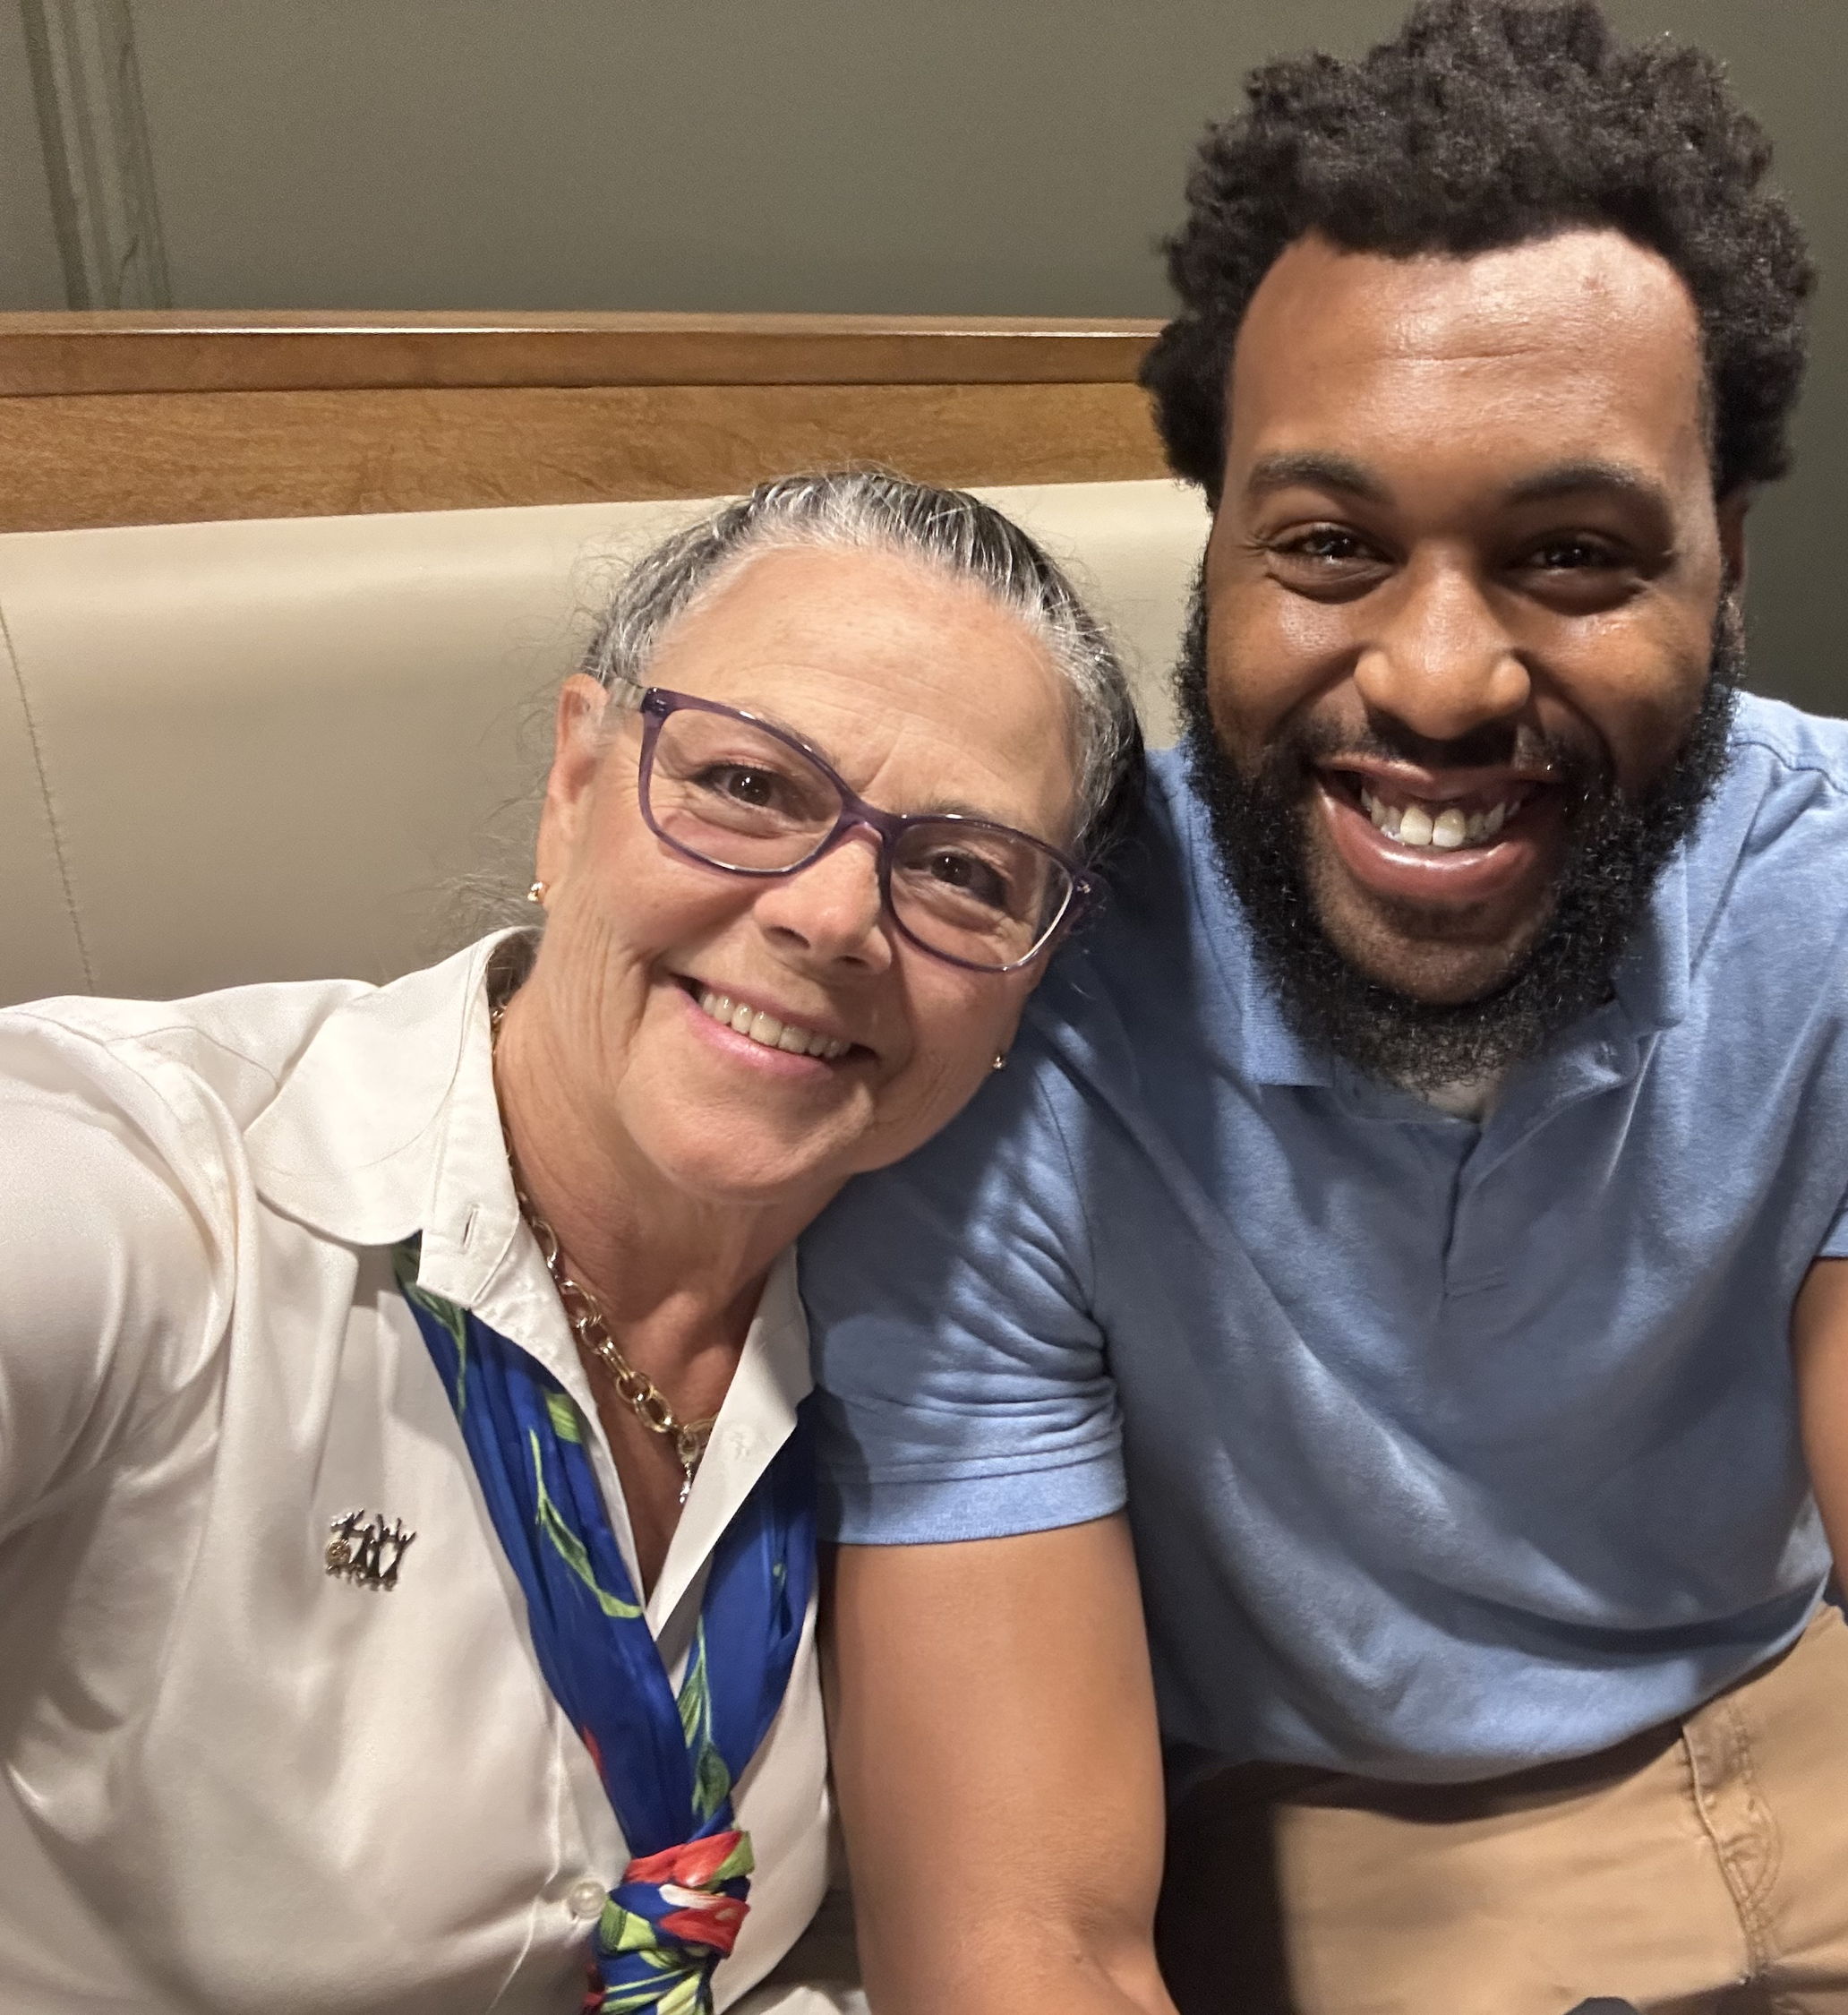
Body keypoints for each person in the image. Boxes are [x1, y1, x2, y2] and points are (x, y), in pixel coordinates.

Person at [807, 5, 1848, 2011]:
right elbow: (1031, 1928)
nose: (1438, 677)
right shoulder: (1020, 979)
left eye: (1576, 554)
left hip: (1778, 1726)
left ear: (1733, 569)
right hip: (1271, 1814)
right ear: (1222, 556)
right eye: (1332, 545)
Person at [0, 470, 1149, 2014]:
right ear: (574, 781)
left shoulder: (959, 1320)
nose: (831, 915)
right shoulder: (156, 1199)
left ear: (1029, 978)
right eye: (749, 784)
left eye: (958, 870)